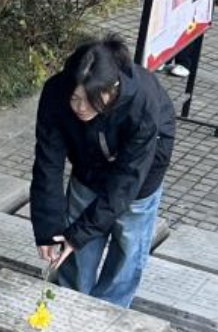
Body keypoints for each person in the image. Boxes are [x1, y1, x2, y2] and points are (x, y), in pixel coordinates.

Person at [29, 37, 176, 309]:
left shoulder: (142, 101)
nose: (81, 108)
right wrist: (48, 229)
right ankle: (70, 302)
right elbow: (48, 164)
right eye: (75, 98)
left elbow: (127, 182)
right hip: (88, 165)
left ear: (112, 89)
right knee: (75, 245)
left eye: (91, 100)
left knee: (127, 248)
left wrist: (81, 232)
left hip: (141, 173)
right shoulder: (55, 93)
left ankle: (109, 309)